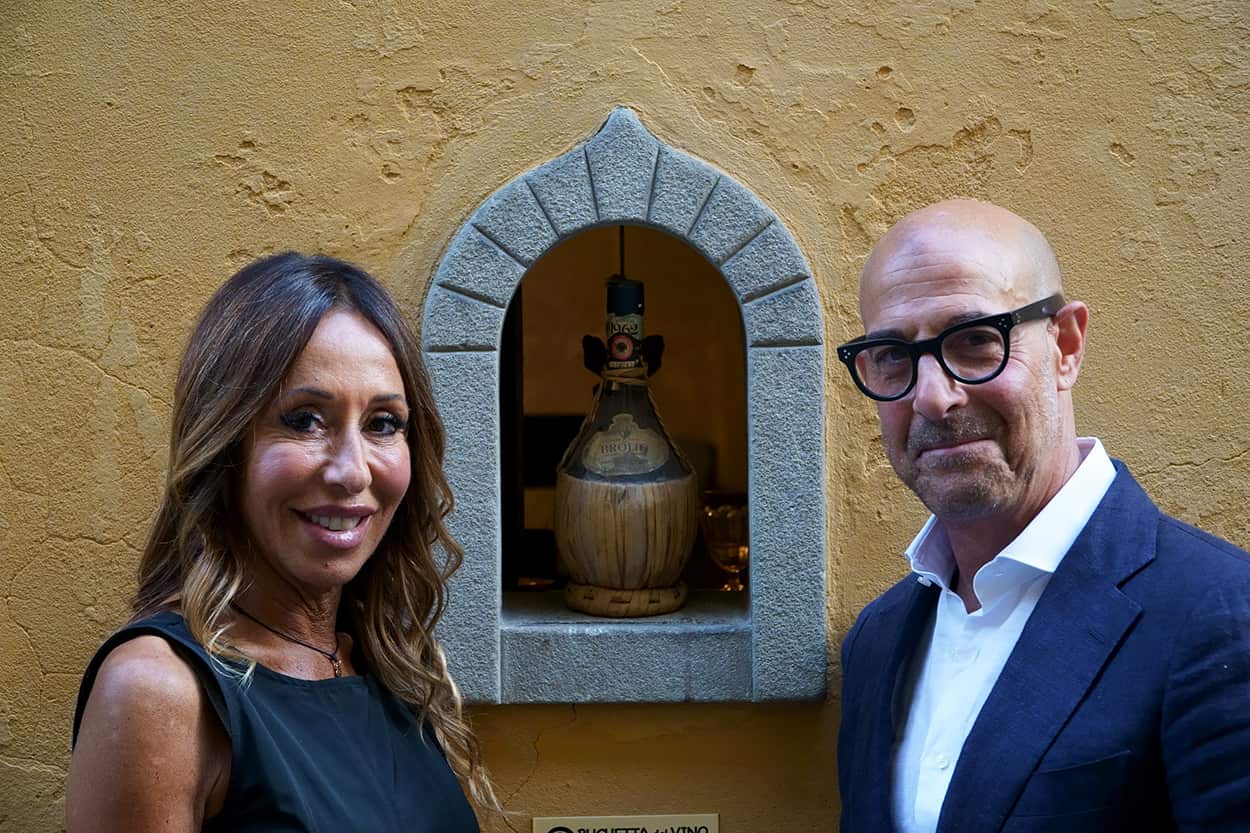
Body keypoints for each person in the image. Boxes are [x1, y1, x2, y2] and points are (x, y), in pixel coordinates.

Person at [835, 199, 1250, 833]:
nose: (933, 397)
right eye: (892, 354)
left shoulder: (1223, 616)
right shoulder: (878, 638)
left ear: (1067, 345)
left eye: (975, 341)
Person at [66, 253, 498, 832]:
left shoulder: (382, 662)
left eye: (383, 423)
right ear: (226, 445)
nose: (353, 472)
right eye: (304, 420)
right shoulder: (160, 690)